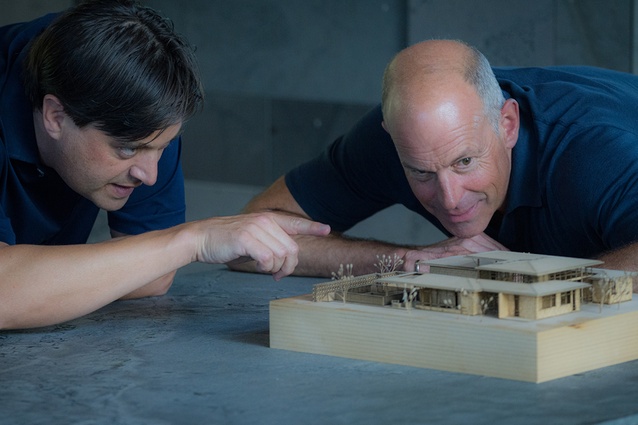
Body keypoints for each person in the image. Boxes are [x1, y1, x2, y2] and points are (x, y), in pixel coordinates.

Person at [0, 0, 330, 330]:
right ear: (55, 117)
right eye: (127, 149)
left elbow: (152, 279)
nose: (151, 175)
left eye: (162, 147)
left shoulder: (147, 108)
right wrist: (192, 241)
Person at [239, 38, 638, 283]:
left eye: (465, 161)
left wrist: (532, 279)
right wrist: (407, 261)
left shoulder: (593, 152)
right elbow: (248, 241)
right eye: (421, 172)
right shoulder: (396, 136)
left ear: (508, 124)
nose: (449, 198)